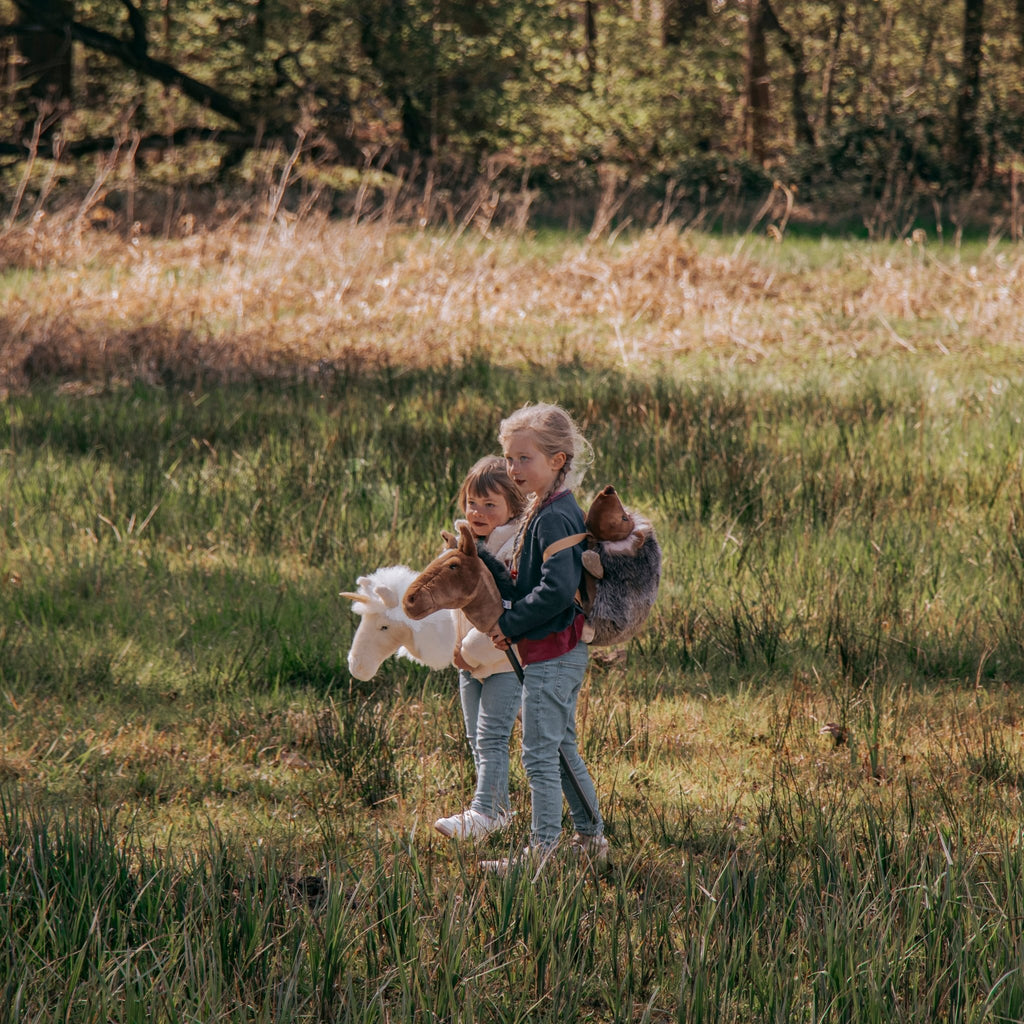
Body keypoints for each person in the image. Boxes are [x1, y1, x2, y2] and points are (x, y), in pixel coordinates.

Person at [483, 402, 609, 873]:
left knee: (539, 753)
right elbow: (528, 582)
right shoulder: (546, 509)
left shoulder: (555, 516)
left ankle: (542, 851)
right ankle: (591, 839)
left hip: (555, 654)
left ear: (557, 461)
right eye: (509, 458)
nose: (513, 469)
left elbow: (556, 590)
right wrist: (488, 563)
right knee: (558, 748)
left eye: (524, 458)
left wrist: (510, 625)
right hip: (556, 652)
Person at [434, 455, 526, 839]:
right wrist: (451, 647)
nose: (478, 511)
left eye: (490, 505)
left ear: (513, 506)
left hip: (503, 659)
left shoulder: (515, 549)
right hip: (466, 660)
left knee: (492, 736)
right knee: (475, 736)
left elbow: (507, 609)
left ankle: (484, 814)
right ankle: (497, 808)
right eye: (473, 502)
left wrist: (468, 652)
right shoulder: (459, 545)